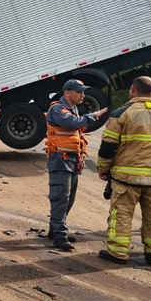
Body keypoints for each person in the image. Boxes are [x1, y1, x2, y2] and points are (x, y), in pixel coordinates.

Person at [95, 77, 151, 266]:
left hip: (126, 179)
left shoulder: (121, 113)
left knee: (122, 215)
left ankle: (118, 253)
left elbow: (108, 147)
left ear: (132, 90)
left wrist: (103, 169)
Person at [46, 79, 108, 251]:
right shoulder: (58, 109)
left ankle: (55, 230)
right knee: (61, 198)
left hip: (71, 161)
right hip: (60, 161)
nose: (83, 95)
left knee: (68, 199)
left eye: (83, 92)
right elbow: (72, 123)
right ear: (67, 93)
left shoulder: (72, 109)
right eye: (79, 92)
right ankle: (59, 236)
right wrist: (92, 116)